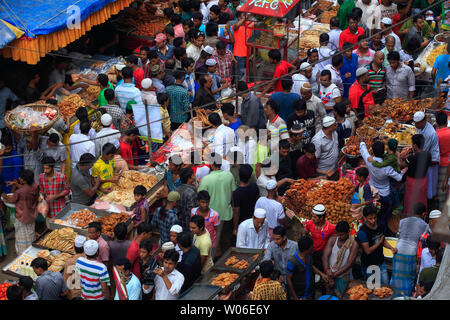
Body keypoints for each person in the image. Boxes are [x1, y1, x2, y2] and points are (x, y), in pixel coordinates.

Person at [360, 140, 403, 232]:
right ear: (383, 151)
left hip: (373, 190)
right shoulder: (387, 167)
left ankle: (375, 228)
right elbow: (399, 178)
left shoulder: (369, 160)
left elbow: (363, 150)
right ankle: (383, 230)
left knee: (375, 213)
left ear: (373, 151)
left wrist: (362, 142)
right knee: (384, 214)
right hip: (385, 193)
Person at [198, 155, 236, 256]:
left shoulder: (206, 179)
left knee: (213, 242)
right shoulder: (229, 176)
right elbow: (233, 195)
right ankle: (226, 258)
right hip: (226, 214)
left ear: (211, 165)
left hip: (212, 217)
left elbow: (200, 196)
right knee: (226, 241)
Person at [390, 202, 428, 297]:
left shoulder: (403, 221)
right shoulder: (424, 225)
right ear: (423, 214)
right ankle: (405, 297)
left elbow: (398, 235)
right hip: (410, 252)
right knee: (408, 278)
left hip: (398, 250)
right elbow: (424, 241)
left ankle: (393, 296)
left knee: (396, 275)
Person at [356, 205, 397, 285]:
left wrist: (391, 248)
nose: (373, 221)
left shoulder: (380, 226)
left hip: (380, 262)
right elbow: (367, 251)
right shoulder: (363, 232)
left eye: (375, 218)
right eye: (370, 219)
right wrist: (379, 242)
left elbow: (383, 241)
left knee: (385, 285)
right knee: (372, 287)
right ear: (365, 218)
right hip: (369, 265)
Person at [1, 169, 38, 255]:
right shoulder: (35, 186)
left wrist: (4, 196)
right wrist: (16, 184)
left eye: (20, 178)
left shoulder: (19, 192)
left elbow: (11, 200)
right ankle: (31, 251)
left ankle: (22, 254)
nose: (19, 178)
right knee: (30, 234)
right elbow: (27, 189)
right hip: (31, 214)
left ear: (24, 180)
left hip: (22, 217)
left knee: (21, 236)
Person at [322, 221, 358, 297]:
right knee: (329, 296)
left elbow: (349, 264)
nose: (339, 236)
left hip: (343, 277)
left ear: (348, 232)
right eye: (338, 234)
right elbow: (325, 256)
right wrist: (327, 270)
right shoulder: (332, 240)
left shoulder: (353, 244)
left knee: (342, 296)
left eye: (342, 234)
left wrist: (334, 275)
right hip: (330, 275)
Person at [286, 236, 329, 300]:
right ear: (306, 249)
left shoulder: (309, 256)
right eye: (312, 246)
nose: (313, 248)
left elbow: (311, 266)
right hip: (299, 295)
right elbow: (288, 279)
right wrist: (294, 296)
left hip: (310, 293)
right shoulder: (292, 261)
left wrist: (322, 274)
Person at [413, 111, 440, 206]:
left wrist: (412, 152)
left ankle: (430, 202)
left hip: (432, 159)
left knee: (430, 182)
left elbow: (423, 150)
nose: (415, 125)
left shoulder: (429, 133)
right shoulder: (423, 127)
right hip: (427, 157)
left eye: (416, 124)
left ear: (421, 122)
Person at [304, 204, 336, 272]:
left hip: (323, 255)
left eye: (315, 217)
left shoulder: (330, 228)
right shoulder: (310, 223)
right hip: (312, 252)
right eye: (312, 216)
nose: (312, 219)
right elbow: (305, 234)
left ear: (321, 218)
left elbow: (334, 241)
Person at [434, 112, 450, 208]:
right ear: (447, 121)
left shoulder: (436, 135)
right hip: (447, 162)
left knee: (442, 188)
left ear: (437, 122)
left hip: (443, 163)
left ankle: (441, 208)